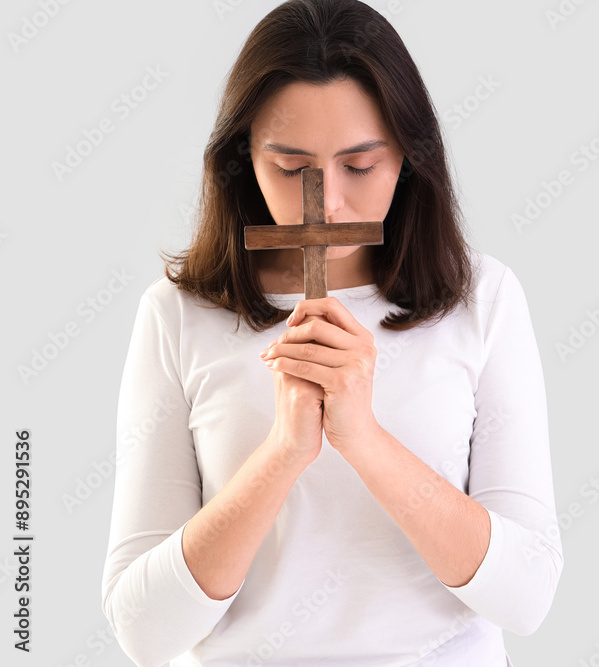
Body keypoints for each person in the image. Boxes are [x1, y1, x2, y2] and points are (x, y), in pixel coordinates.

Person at [99, 1, 563, 664]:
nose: (329, 202)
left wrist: (364, 438)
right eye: (290, 169)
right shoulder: (178, 315)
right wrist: (285, 450)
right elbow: (144, 631)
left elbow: (527, 596)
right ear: (241, 159)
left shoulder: (482, 299)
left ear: (409, 156)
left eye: (361, 165)